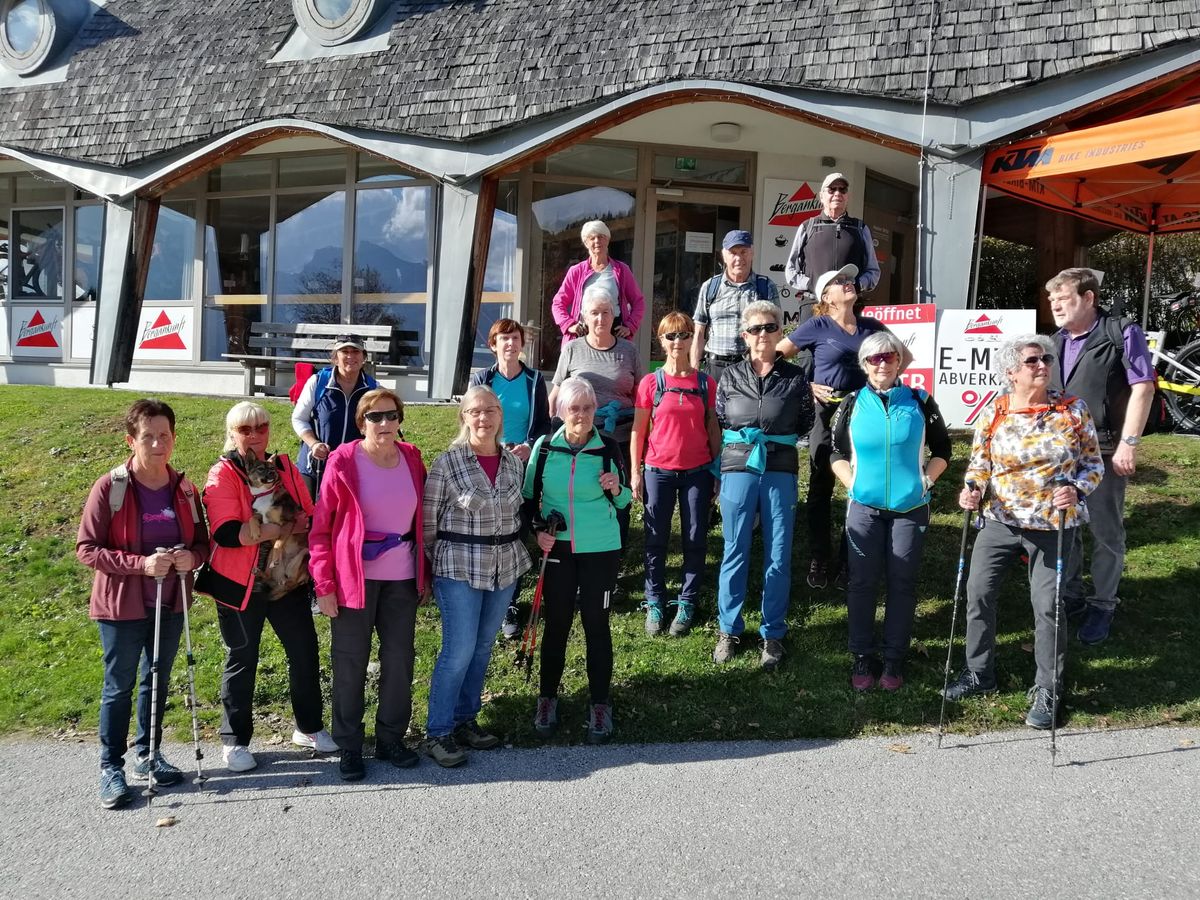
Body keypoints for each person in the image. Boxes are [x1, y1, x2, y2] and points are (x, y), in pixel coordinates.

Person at [942, 335, 1104, 729]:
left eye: (1046, 358)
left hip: (1052, 526)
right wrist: (972, 489)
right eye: (1032, 360)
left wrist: (1077, 488)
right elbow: (979, 463)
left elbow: (1093, 465)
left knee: (1049, 606)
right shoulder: (995, 411)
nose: (1042, 364)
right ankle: (979, 673)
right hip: (999, 522)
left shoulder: (1071, 410)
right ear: (1011, 372)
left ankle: (1048, 688)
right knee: (978, 594)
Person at [77, 400, 210, 810]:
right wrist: (141, 565)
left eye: (164, 435)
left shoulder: (185, 489)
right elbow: (87, 549)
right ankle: (110, 768)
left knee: (157, 681)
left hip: (170, 601)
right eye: (148, 436)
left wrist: (194, 557)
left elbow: (202, 542)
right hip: (122, 605)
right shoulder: (111, 486)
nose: (157, 443)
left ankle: (148, 756)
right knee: (119, 687)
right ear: (130, 440)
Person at [198, 401, 335, 773]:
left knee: (305, 654)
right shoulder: (222, 473)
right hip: (240, 584)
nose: (255, 435)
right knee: (242, 660)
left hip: (287, 580)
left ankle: (308, 728)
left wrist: (287, 525)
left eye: (261, 427)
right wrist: (278, 528)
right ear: (232, 434)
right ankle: (235, 741)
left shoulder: (286, 466)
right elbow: (227, 533)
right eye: (245, 430)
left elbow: (307, 513)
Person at [309, 388, 429, 781]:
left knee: (399, 661)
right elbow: (321, 529)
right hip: (352, 582)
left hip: (401, 578)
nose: (383, 424)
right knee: (349, 663)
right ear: (361, 422)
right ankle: (349, 746)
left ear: (400, 419)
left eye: (391, 416)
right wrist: (323, 584)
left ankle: (391, 738)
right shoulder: (343, 461)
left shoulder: (412, 458)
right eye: (374, 417)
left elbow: (421, 518)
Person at [830, 333, 952, 691]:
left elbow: (943, 449)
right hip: (864, 508)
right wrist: (850, 483)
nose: (881, 363)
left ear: (899, 361)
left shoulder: (919, 399)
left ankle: (895, 659)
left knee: (902, 582)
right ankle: (862, 656)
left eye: (888, 357)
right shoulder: (852, 403)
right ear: (864, 365)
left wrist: (926, 482)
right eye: (873, 359)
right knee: (862, 583)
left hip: (910, 508)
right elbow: (835, 451)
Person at [420, 386, 531, 767]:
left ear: (501, 416)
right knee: (459, 650)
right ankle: (438, 732)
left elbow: (519, 514)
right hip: (459, 568)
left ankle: (466, 720)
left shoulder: (515, 464)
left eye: (491, 411)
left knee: (483, 648)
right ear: (464, 417)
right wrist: (439, 565)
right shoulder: (447, 463)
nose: (484, 418)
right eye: (476, 412)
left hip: (505, 566)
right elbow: (427, 524)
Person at [777, 264, 904, 590]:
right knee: (821, 484)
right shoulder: (816, 325)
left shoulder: (871, 327)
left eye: (849, 279)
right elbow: (777, 356)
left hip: (864, 414)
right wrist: (806, 385)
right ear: (826, 297)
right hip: (825, 413)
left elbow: (904, 357)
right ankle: (820, 556)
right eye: (839, 281)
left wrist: (879, 385)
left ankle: (851, 558)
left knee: (861, 486)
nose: (848, 283)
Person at [1047, 268, 1156, 645]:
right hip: (1063, 454)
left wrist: (1130, 442)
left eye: (1064, 298)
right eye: (1052, 300)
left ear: (1089, 297)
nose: (1056, 305)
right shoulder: (1052, 342)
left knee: (1106, 530)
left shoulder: (1121, 332)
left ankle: (1103, 604)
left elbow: (1144, 387)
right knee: (1067, 528)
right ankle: (1073, 596)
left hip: (1107, 449)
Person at [523, 377, 632, 744]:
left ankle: (600, 705)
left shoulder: (608, 448)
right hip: (559, 550)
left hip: (601, 548)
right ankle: (547, 699)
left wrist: (616, 489)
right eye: (574, 408)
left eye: (587, 408)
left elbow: (624, 502)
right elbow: (527, 502)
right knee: (557, 625)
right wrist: (537, 532)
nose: (582, 415)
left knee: (596, 625)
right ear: (560, 411)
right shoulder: (545, 448)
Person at [713, 301, 813, 669]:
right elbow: (722, 415)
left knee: (778, 554)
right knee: (734, 549)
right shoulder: (730, 376)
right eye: (755, 329)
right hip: (738, 469)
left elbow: (804, 421)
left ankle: (772, 634)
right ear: (744, 336)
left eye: (769, 328)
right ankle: (729, 629)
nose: (762, 335)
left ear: (779, 332)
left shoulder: (795, 377)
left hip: (780, 469)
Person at [630, 312, 720, 637]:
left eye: (683, 335)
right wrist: (635, 472)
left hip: (698, 471)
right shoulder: (651, 383)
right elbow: (638, 431)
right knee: (656, 540)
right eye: (671, 336)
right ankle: (655, 600)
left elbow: (713, 427)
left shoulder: (704, 382)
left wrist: (718, 469)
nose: (678, 342)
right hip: (658, 471)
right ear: (661, 340)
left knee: (696, 539)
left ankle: (687, 601)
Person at [469, 318, 551, 640]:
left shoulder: (533, 380)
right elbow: (471, 416)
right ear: (493, 345)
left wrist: (529, 447)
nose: (510, 344)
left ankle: (511, 604)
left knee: (515, 535)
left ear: (521, 344)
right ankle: (484, 595)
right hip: (488, 462)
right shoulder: (482, 378)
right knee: (490, 532)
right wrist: (494, 445)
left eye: (515, 338)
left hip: (522, 467)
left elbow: (545, 424)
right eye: (503, 339)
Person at [550, 284, 643, 549]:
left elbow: (640, 397)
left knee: (619, 493)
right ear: (584, 317)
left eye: (605, 312)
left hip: (621, 436)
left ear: (614, 315)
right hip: (580, 438)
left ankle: (617, 551)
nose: (600, 318)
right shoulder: (572, 349)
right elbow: (556, 395)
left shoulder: (629, 351)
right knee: (584, 493)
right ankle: (580, 547)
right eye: (594, 313)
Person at [291, 334, 379, 498]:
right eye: (344, 351)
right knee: (310, 519)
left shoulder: (373, 389)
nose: (350, 356)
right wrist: (313, 443)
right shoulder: (318, 382)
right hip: (315, 467)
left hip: (352, 468)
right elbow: (299, 418)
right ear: (335, 358)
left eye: (356, 351)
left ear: (364, 358)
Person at [690, 229, 780, 386]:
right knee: (712, 411)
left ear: (752, 253)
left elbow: (776, 332)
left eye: (743, 252)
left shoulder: (766, 286)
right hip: (715, 367)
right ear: (724, 256)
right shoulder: (710, 287)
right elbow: (699, 333)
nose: (739, 258)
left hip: (752, 367)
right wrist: (694, 371)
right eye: (733, 253)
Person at [784, 172, 881, 315]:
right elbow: (791, 270)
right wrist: (812, 284)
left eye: (842, 190)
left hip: (849, 308)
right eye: (832, 189)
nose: (837, 193)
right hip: (813, 305)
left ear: (847, 196)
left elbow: (873, 271)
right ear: (821, 196)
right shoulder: (808, 226)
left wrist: (858, 285)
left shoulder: (860, 228)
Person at [550, 220, 645, 346]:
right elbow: (558, 303)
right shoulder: (576, 271)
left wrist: (630, 326)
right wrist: (569, 324)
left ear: (607, 240)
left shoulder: (621, 270)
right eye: (592, 238)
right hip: (582, 335)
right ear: (586, 243)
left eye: (601, 237)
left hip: (614, 335)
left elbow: (639, 302)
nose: (597, 241)